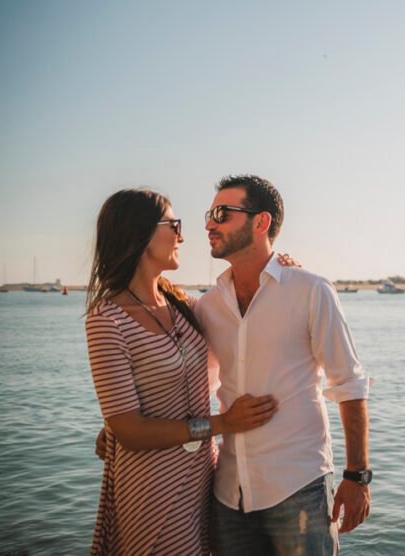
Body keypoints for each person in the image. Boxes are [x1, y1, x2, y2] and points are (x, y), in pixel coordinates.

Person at [84, 188, 278, 555]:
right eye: (173, 225)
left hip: (205, 477)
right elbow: (131, 432)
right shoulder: (107, 320)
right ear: (139, 232)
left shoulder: (184, 305)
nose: (182, 235)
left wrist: (278, 265)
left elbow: (245, 306)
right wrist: (223, 424)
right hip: (153, 487)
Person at [198, 175, 372, 555]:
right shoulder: (207, 306)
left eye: (222, 213)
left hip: (299, 489)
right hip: (228, 495)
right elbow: (191, 384)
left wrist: (357, 476)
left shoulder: (310, 291)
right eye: (209, 214)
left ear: (260, 223)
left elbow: (350, 385)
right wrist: (121, 429)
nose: (210, 223)